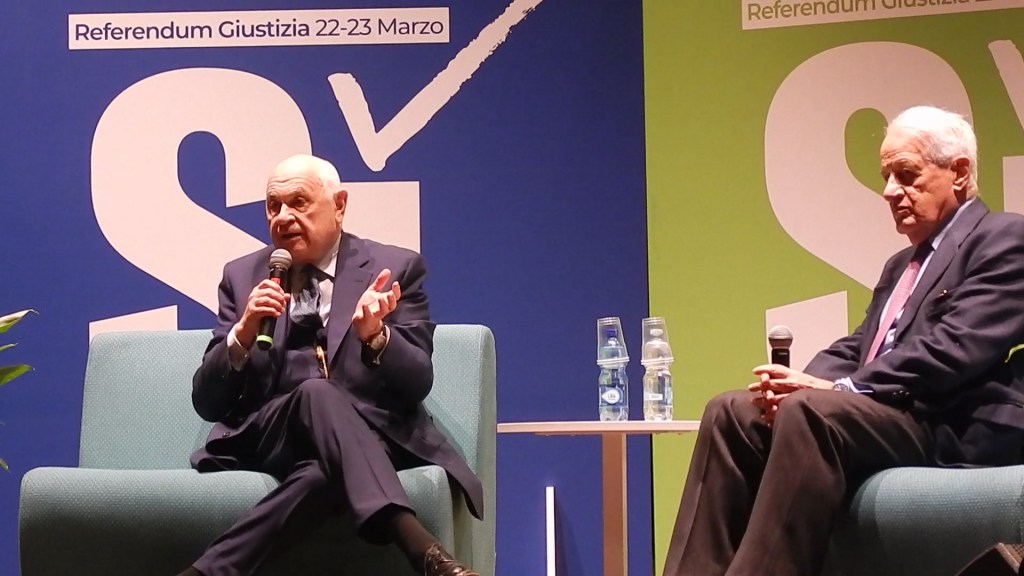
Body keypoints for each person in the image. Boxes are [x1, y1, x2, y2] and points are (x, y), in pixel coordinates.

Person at [663, 106, 1024, 576]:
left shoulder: (1004, 237)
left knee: (811, 411)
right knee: (732, 410)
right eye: (886, 176)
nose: (890, 191)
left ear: (957, 173)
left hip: (941, 420)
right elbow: (860, 347)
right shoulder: (902, 264)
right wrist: (793, 384)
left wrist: (833, 392)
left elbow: (955, 349)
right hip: (883, 415)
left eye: (906, 174)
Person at [179, 154, 482, 576]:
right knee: (316, 393)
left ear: (339, 205)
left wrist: (376, 336)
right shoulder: (243, 275)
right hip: (272, 432)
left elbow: (417, 382)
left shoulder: (393, 269)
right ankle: (421, 550)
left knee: (323, 477)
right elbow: (208, 401)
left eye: (298, 202)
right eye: (273, 206)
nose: (282, 218)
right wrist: (243, 333)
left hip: (365, 435)